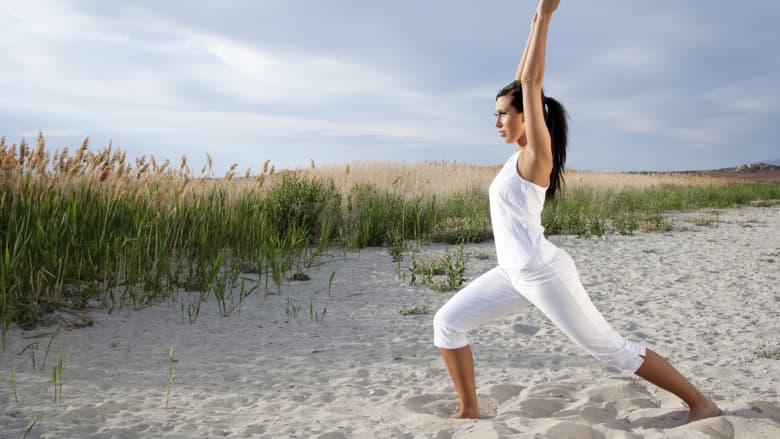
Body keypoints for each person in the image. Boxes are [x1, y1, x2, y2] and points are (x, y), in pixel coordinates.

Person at [432, 0, 721, 424]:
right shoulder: (516, 156)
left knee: (612, 349)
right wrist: (533, 19)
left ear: (527, 119)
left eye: (501, 114)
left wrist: (545, 16)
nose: (495, 122)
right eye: (493, 114)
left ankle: (701, 403)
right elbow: (522, 81)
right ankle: (469, 409)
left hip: (544, 274)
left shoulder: (536, 157)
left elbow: (530, 83)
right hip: (511, 274)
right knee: (447, 323)